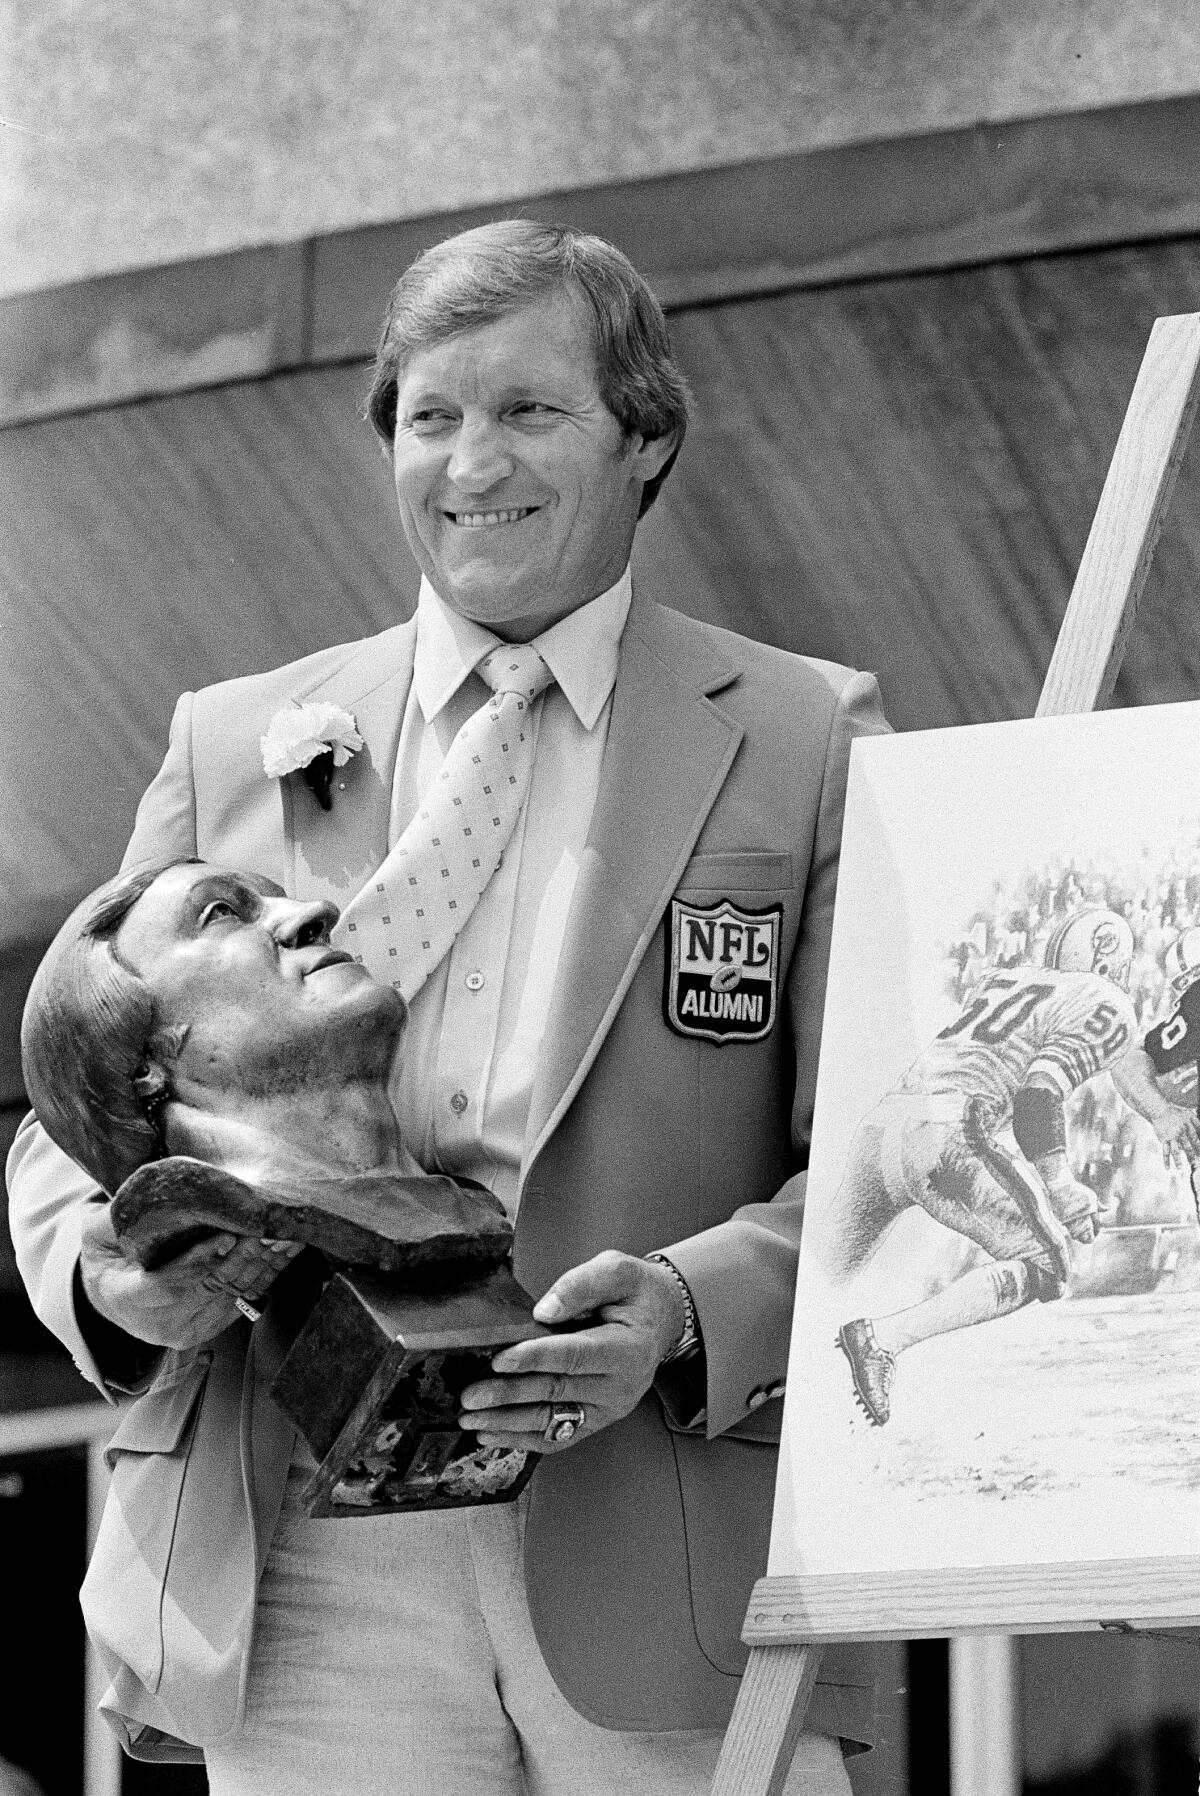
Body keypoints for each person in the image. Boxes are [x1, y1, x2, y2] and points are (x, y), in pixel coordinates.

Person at [8, 220, 889, 1795]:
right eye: (432, 417)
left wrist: (689, 1315)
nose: (471, 462)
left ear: (648, 438)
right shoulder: (232, 742)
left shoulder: (809, 734)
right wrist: (110, 1281)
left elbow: (889, 1158)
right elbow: (68, 1107)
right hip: (302, 1562)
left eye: (531, 411)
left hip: (661, 1537)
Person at [824, 907, 1141, 1427]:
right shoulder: (1105, 1000)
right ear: (1109, 955)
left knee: (827, 1268)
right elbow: (1038, 1100)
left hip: (880, 1127)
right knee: (1047, 1265)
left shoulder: (1005, 978)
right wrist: (1062, 1188)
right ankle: (882, 1339)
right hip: (947, 1136)